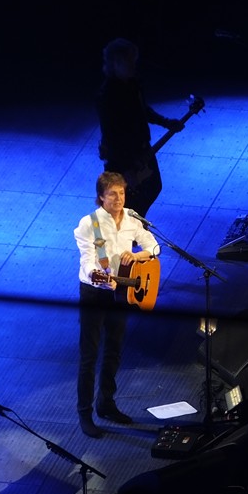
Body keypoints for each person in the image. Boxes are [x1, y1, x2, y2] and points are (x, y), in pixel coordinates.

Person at [74, 171, 161, 437]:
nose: (118, 198)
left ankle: (106, 403)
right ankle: (85, 413)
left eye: (121, 193)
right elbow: (88, 261)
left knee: (114, 351)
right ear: (101, 197)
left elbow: (154, 247)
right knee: (89, 356)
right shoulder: (89, 224)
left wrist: (138, 256)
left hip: (121, 292)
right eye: (112, 194)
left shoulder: (132, 219)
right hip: (94, 293)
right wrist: (98, 278)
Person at [96, 37, 183, 218]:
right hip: (123, 157)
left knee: (152, 186)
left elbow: (143, 110)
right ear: (116, 63)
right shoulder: (107, 95)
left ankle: (135, 223)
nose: (133, 65)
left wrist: (166, 122)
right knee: (127, 198)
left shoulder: (133, 84)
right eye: (129, 61)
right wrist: (126, 165)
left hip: (141, 148)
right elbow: (111, 134)